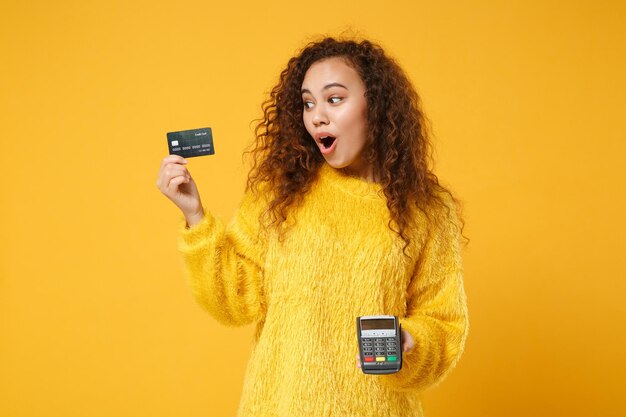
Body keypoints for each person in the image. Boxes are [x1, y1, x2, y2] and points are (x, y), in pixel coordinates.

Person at [156, 36, 469, 417]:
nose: (317, 115)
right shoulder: (283, 192)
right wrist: (195, 216)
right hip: (280, 406)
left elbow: (444, 324)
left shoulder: (428, 210)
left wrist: (410, 342)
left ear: (377, 106)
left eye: (334, 99)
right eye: (308, 103)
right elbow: (235, 302)